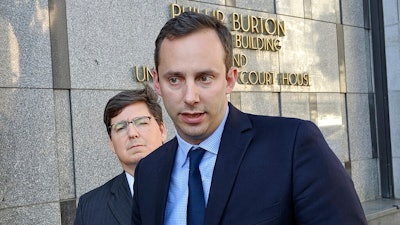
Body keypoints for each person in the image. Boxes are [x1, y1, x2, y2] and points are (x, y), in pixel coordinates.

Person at [132, 12, 367, 225]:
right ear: (157, 82)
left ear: (230, 79)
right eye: (175, 79)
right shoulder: (147, 172)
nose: (190, 97)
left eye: (205, 77)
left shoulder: (292, 145)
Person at [74, 83, 167, 225]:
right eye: (121, 127)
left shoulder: (200, 185)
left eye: (142, 122)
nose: (132, 134)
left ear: (162, 131)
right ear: (111, 142)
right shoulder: (89, 207)